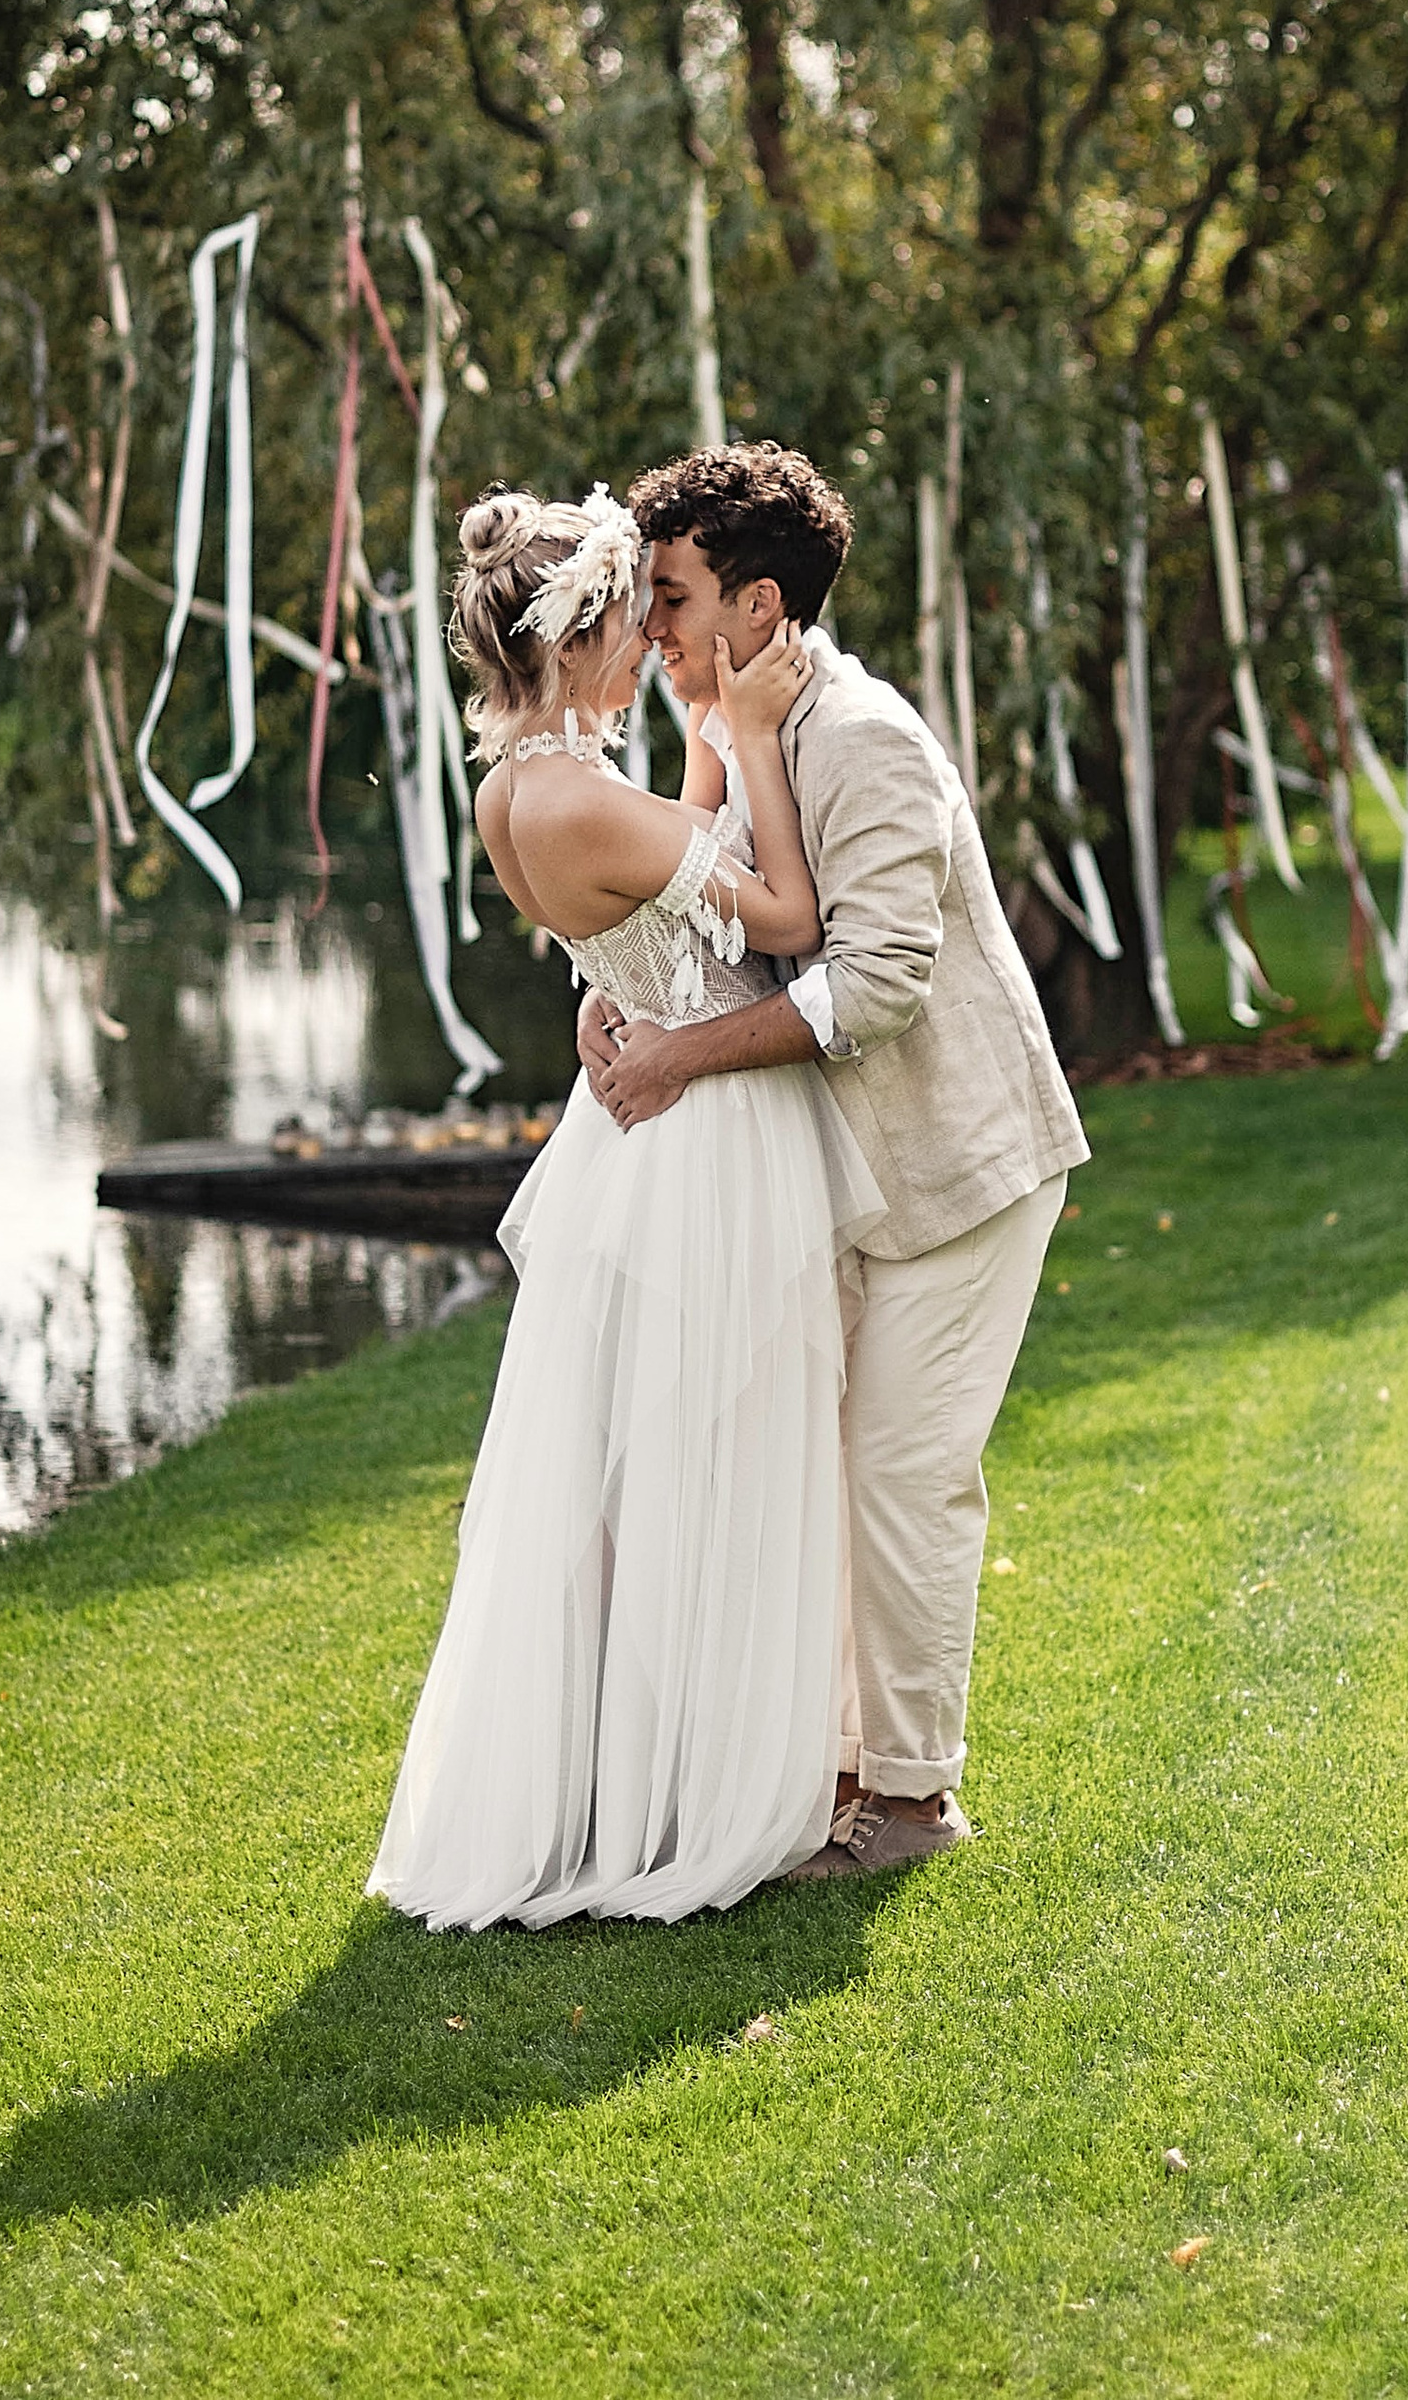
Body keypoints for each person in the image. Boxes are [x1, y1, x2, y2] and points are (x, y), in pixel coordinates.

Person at [367, 484, 881, 1931]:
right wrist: (756, 734)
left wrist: (708, 754)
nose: (651, 634)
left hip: (629, 1119)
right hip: (704, 1131)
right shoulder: (583, 789)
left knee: (635, 1466)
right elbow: (783, 918)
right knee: (718, 1456)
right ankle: (701, 1793)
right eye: (632, 613)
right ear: (580, 634)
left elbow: (627, 929)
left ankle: (631, 1774)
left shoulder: (506, 795)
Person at [582, 441, 1089, 1877]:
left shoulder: (859, 736)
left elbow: (876, 985)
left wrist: (677, 1061)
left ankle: (915, 1803)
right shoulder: (745, 729)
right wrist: (619, 997)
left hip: (955, 1169)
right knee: (829, 1467)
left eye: (672, 596)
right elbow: (715, 913)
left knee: (902, 1473)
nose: (652, 627)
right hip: (844, 1178)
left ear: (756, 604)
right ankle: (848, 1778)